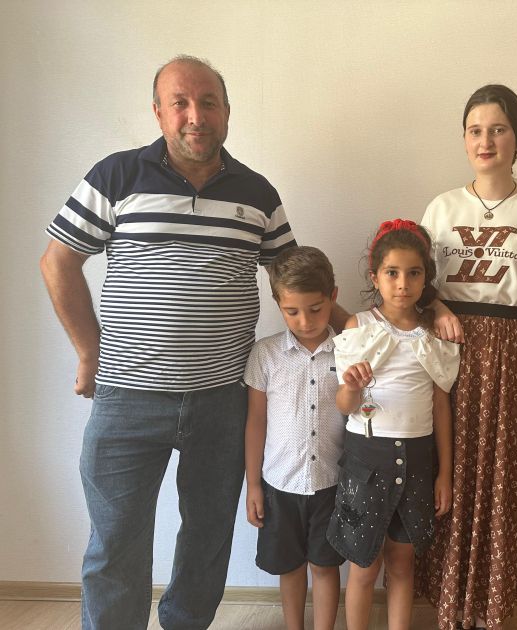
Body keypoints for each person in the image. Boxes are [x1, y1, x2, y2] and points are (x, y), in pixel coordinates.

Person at [39, 55, 305, 630]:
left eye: (208, 103)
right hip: (127, 399)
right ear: (158, 112)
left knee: (208, 535)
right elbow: (58, 262)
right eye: (180, 103)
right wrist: (88, 351)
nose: (195, 116)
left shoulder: (257, 193)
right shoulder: (116, 176)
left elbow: (294, 280)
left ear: (227, 112)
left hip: (222, 399)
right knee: (116, 540)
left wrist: (372, 323)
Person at [414, 85, 517, 629]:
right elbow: (416, 281)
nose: (486, 140)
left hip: (509, 354)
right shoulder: (441, 207)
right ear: (464, 140)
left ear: (516, 138)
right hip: (447, 347)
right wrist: (436, 308)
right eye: (475, 130)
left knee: (499, 476)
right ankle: (450, 600)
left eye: (498, 129)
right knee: (446, 468)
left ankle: (491, 606)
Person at [327, 219, 460, 630]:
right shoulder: (358, 327)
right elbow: (344, 404)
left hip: (418, 460)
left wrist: (445, 474)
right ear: (375, 277)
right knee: (364, 565)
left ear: (426, 278)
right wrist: (351, 386)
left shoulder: (433, 333)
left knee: (402, 564)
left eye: (414, 273)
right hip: (367, 460)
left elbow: (441, 407)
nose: (403, 284)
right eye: (392, 273)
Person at [243, 246, 345, 630]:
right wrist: (253, 485)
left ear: (332, 297)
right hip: (279, 484)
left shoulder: (348, 352)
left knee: (326, 565)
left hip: (331, 483)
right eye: (292, 311)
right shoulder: (265, 354)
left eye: (316, 309)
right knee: (289, 567)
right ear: (278, 303)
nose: (305, 321)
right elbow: (256, 422)